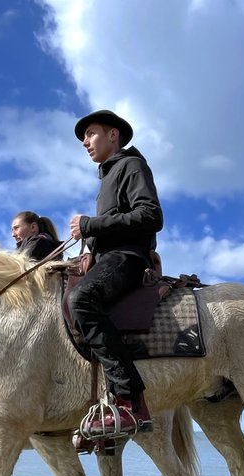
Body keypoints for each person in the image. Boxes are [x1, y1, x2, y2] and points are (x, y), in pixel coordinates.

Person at [68, 109, 163, 436]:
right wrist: (91, 244)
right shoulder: (107, 176)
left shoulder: (131, 165)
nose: (85, 142)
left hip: (129, 257)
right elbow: (117, 223)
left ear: (113, 135)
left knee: (81, 299)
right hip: (110, 255)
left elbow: (150, 216)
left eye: (91, 133)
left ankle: (128, 400)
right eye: (84, 137)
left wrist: (90, 225)